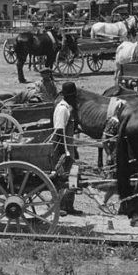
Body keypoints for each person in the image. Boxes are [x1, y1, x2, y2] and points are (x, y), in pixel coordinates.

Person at [53, 81, 83, 216]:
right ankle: (60, 207)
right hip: (64, 151)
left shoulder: (67, 108)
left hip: (69, 149)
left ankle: (69, 205)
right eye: (73, 96)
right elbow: (58, 131)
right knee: (64, 179)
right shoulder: (62, 109)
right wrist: (62, 152)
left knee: (73, 176)